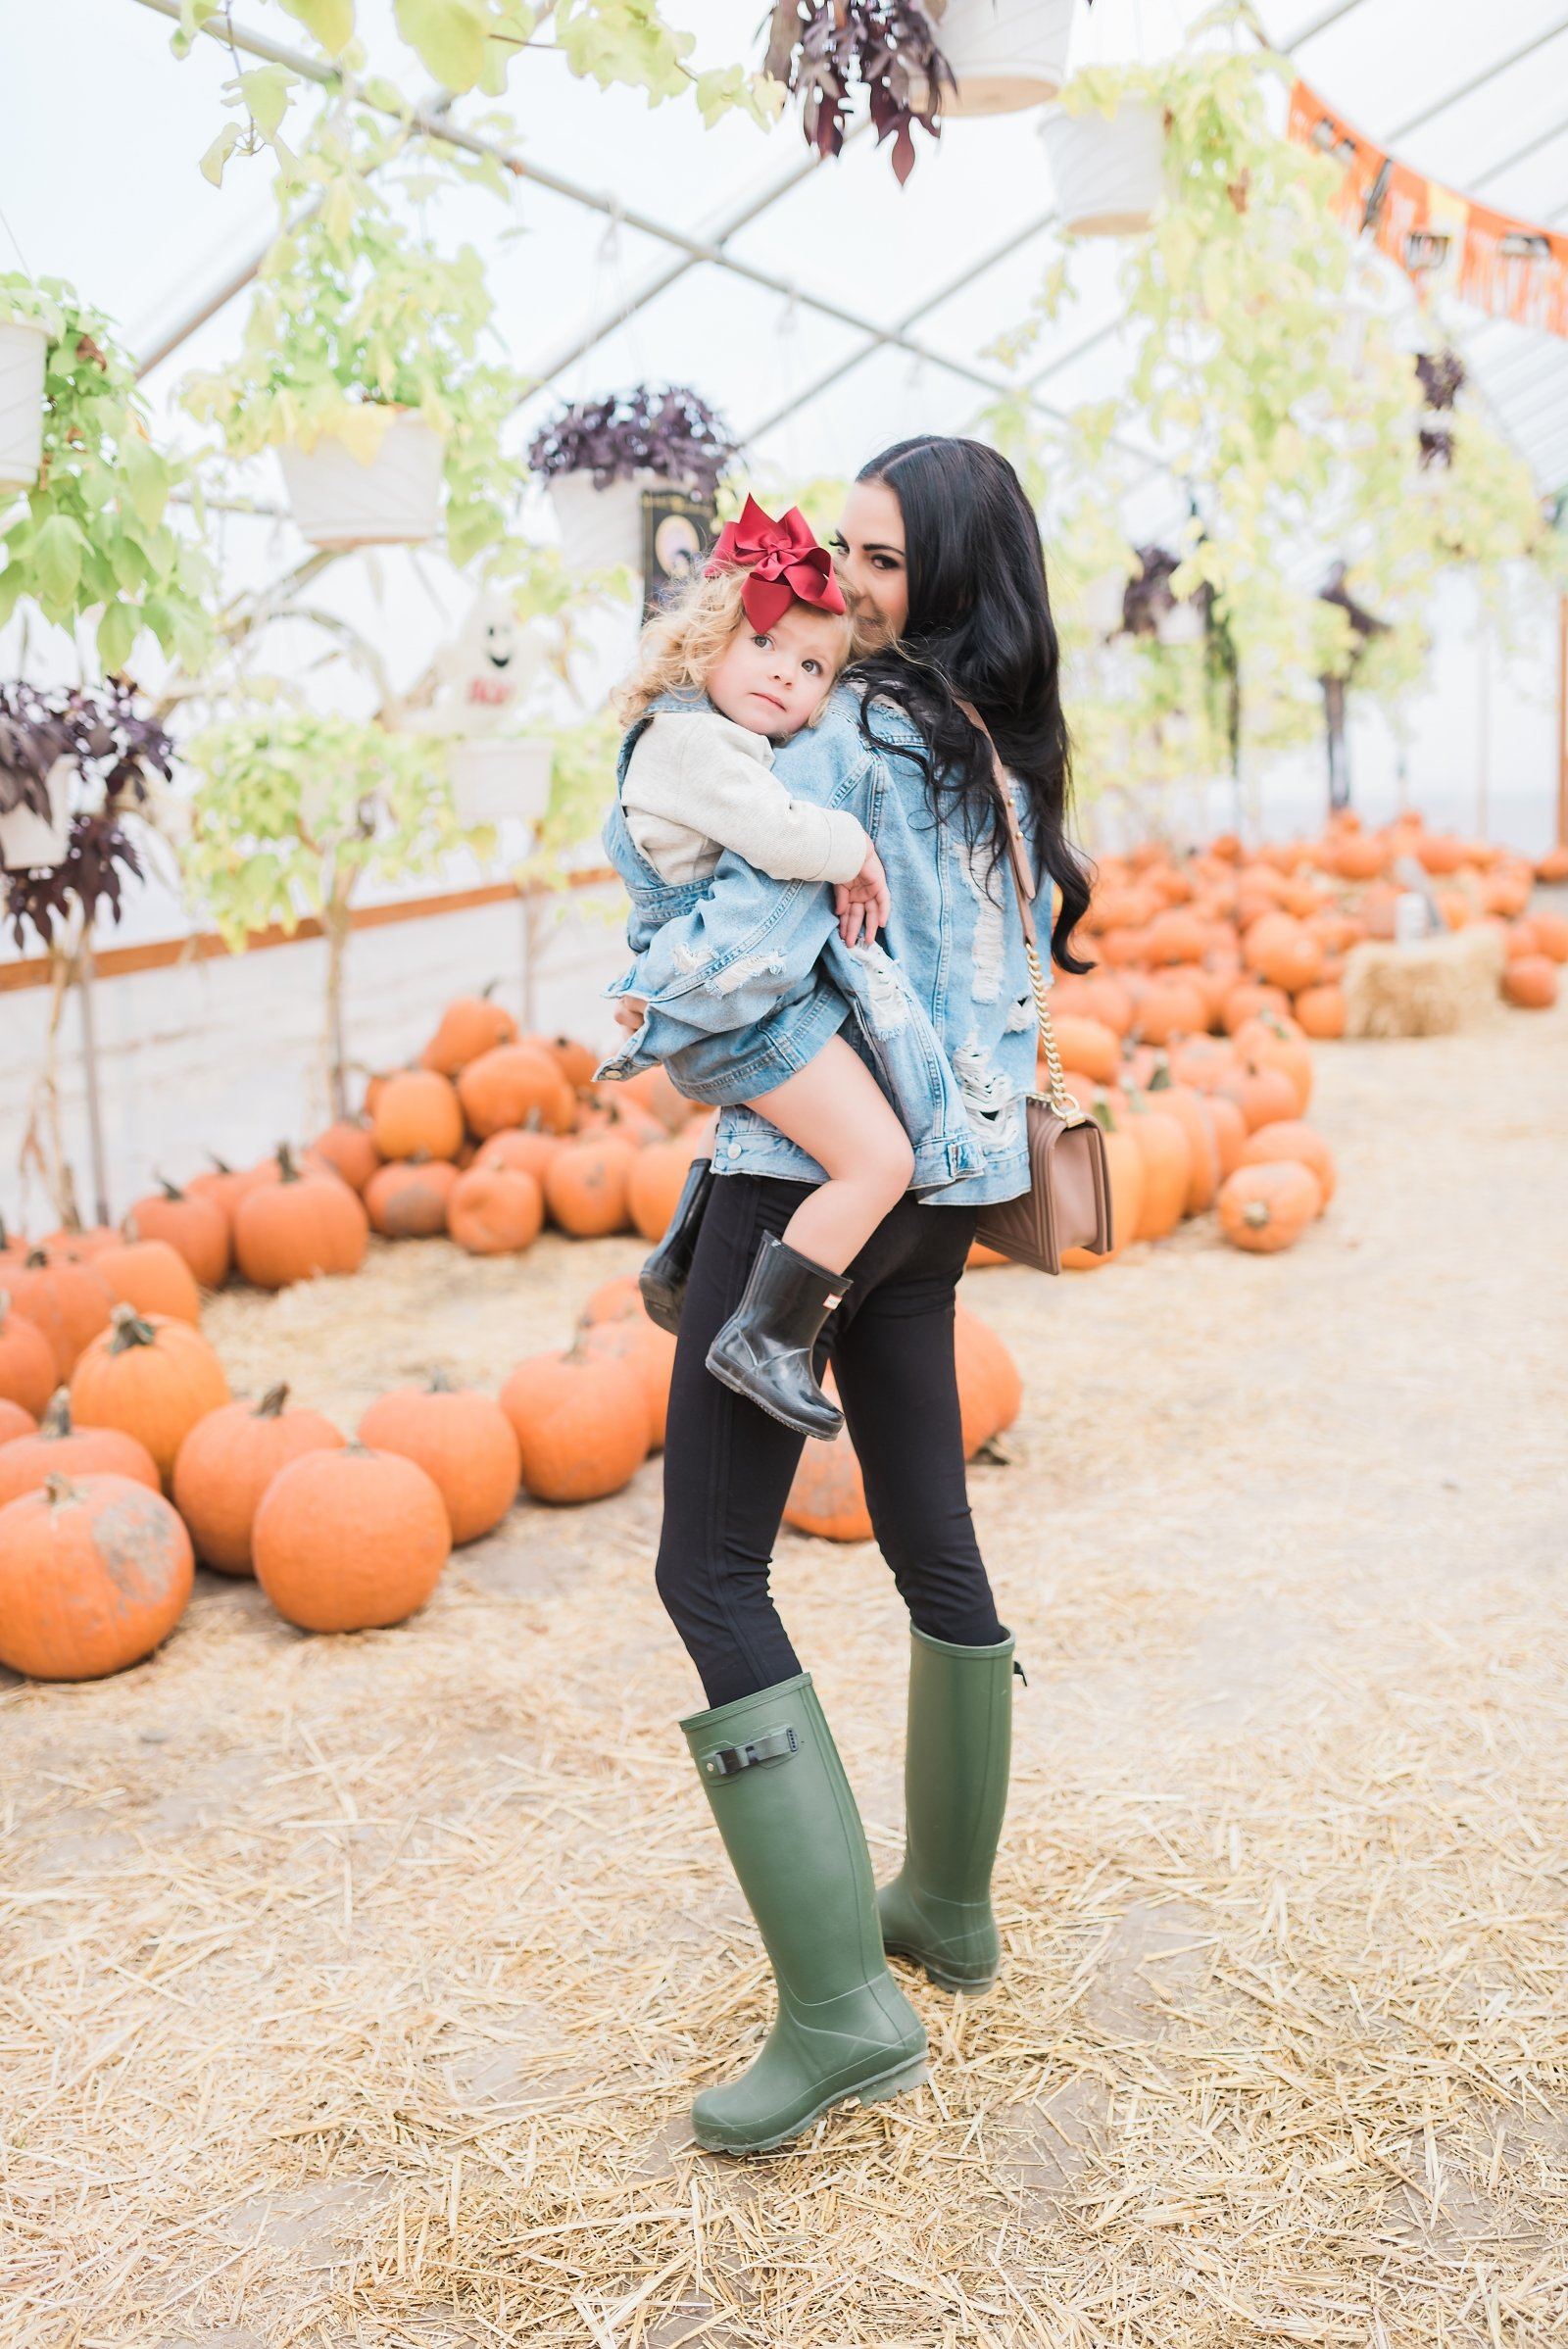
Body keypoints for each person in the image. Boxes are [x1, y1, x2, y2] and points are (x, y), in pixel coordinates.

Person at [601, 438, 1092, 2158]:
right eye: (847, 556)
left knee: (707, 1566)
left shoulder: (850, 736)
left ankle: (838, 2013)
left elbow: (756, 944)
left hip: (803, 1180)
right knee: (926, 1530)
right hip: (940, 1187)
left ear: (951, 575)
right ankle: (945, 1910)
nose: (852, 591)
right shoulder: (999, 752)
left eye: (885, 564)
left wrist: (656, 1015)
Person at [597, 493, 990, 1439]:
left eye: (813, 666)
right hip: (743, 1009)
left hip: (745, 1003)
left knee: (849, 1136)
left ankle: (689, 1257)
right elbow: (778, 835)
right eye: (766, 645)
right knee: (879, 1159)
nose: (786, 677)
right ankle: (766, 1339)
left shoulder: (722, 737)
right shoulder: (692, 741)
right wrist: (854, 843)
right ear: (708, 644)